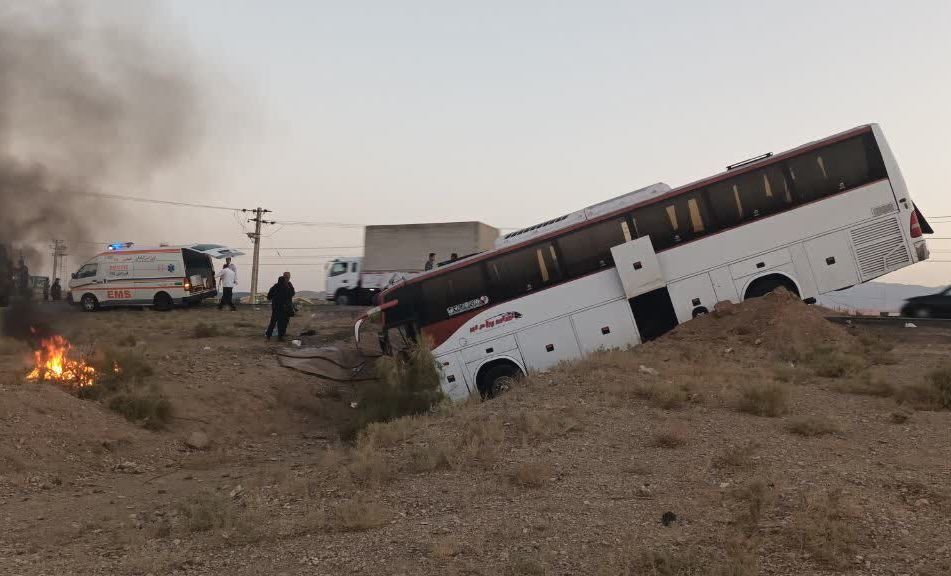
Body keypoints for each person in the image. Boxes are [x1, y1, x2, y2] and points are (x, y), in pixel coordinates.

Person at [265, 273, 296, 341]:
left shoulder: (276, 286)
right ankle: (280, 337)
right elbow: (291, 294)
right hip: (283, 307)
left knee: (274, 321)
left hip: (277, 307)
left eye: (288, 277)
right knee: (281, 322)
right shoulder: (287, 286)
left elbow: (269, 297)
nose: (288, 278)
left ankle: (269, 335)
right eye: (286, 277)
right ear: (284, 278)